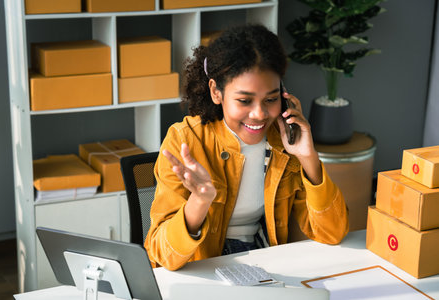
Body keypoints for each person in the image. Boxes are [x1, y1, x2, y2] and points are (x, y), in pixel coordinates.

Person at [144, 24, 349, 270]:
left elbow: (332, 233)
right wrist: (198, 202)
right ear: (216, 92)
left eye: (271, 99)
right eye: (244, 100)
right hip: (203, 267)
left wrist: (308, 157)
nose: (259, 114)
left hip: (264, 260)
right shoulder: (185, 140)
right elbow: (160, 256)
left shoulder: (284, 140)